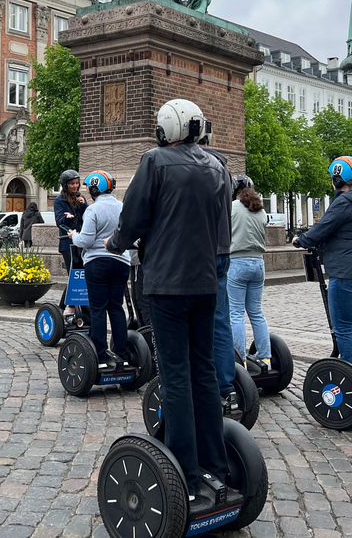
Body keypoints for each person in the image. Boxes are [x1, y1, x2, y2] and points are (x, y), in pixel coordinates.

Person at [106, 99, 229, 500]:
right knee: (204, 372)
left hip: (165, 284)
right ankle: (216, 466)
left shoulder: (155, 161)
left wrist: (116, 241)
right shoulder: (217, 165)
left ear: (164, 130)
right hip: (206, 283)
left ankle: (185, 476)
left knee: (175, 375)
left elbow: (134, 217)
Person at [69, 170, 130, 368]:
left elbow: (85, 240)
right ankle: (122, 353)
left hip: (97, 263)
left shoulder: (93, 210)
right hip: (121, 262)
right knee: (116, 307)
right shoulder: (123, 207)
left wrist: (73, 236)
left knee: (98, 309)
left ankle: (101, 355)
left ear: (95, 189)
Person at [293, 156, 352, 362]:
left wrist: (300, 240)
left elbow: (321, 229)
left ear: (337, 179)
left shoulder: (343, 202)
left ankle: (348, 373)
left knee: (343, 326)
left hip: (344, 273)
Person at [198, 132, 239, 417]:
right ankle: (226, 386)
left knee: (195, 319)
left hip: (201, 253)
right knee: (221, 319)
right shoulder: (223, 167)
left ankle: (200, 385)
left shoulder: (199, 166)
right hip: (223, 250)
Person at [227, 175, 271, 367]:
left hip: (237, 262)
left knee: (235, 313)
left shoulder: (232, 207)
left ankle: (240, 359)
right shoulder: (261, 210)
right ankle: (266, 356)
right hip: (258, 263)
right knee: (256, 312)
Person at [54, 169, 88, 316]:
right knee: (74, 275)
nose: (75, 186)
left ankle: (65, 307)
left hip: (80, 241)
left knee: (78, 276)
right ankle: (70, 308)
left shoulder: (80, 198)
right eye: (72, 184)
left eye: (77, 183)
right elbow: (59, 222)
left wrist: (84, 205)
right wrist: (66, 219)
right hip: (67, 243)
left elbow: (87, 219)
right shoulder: (59, 201)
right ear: (65, 185)